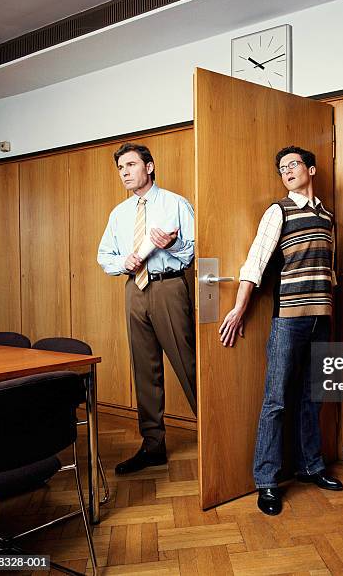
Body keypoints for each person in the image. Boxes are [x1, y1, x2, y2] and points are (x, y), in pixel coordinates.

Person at [219, 145, 343, 516]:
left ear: (311, 169)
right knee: (276, 399)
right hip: (289, 319)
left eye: (293, 165)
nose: (287, 171)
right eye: (282, 169)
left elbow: (330, 268)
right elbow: (255, 261)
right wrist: (240, 307)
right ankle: (268, 481)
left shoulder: (327, 217)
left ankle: (311, 466)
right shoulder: (279, 211)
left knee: (312, 398)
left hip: (323, 318)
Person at [98, 142, 196, 474]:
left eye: (130, 165)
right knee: (145, 369)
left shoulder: (175, 204)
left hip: (169, 286)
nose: (125, 172)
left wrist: (174, 243)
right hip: (134, 288)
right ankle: (153, 445)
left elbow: (193, 251)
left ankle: (217, 434)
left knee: (188, 364)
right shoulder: (119, 213)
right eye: (120, 168)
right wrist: (121, 261)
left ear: (149, 167)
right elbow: (104, 255)